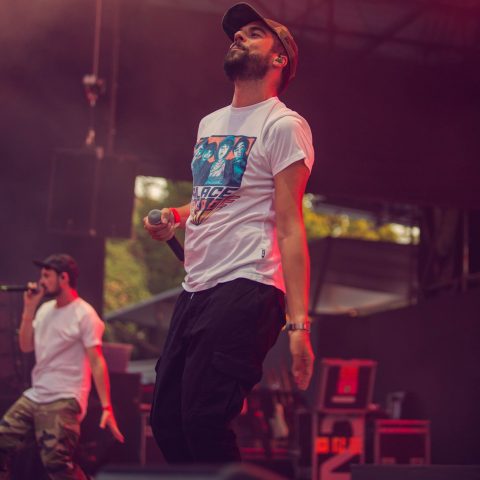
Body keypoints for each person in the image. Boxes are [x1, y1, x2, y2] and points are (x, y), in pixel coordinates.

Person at [144, 2, 315, 464]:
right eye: (237, 33)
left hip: (248, 284)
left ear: (279, 58)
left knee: (203, 420)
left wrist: (298, 325)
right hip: (197, 287)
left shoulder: (284, 125)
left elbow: (290, 225)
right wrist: (175, 216)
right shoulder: (211, 124)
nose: (239, 36)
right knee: (167, 422)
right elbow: (214, 198)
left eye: (255, 33)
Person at [0, 254, 124, 479]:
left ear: (64, 278)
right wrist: (29, 309)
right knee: (2, 442)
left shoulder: (84, 314)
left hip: (65, 396)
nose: (41, 281)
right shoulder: (44, 310)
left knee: (56, 462)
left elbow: (96, 361)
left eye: (46, 276)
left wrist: (107, 407)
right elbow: (26, 346)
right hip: (37, 394)